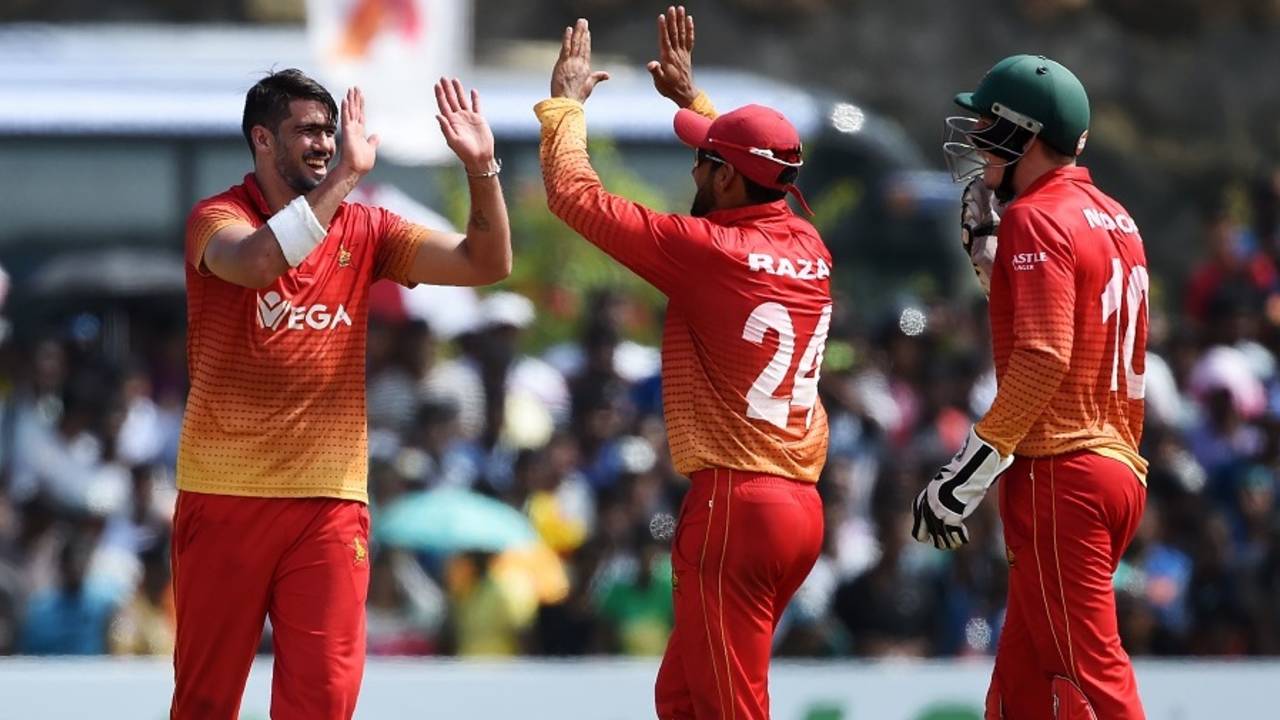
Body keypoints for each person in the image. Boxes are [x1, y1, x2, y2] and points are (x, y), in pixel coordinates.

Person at [173, 69, 510, 719]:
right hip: (225, 497)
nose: (325, 143)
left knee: (324, 701)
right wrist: (345, 179)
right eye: (308, 130)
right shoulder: (217, 219)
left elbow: (485, 264)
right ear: (262, 139)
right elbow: (255, 264)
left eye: (331, 131)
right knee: (206, 701)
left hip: (330, 503)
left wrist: (482, 167)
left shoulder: (368, 230)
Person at [536, 9, 830, 718]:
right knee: (684, 698)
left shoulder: (707, 255)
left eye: (704, 159)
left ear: (727, 181)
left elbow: (574, 196)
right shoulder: (810, 247)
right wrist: (697, 104)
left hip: (738, 504)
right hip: (800, 510)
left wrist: (566, 107)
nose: (694, 169)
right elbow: (761, 170)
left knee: (729, 708)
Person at [917, 54, 1149, 718]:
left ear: (1026, 133)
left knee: (1092, 678)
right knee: (1019, 689)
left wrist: (970, 467)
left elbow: (1046, 356)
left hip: (1063, 474)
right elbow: (1072, 330)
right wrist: (996, 267)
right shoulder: (1116, 218)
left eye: (989, 125)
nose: (977, 140)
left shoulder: (1035, 216)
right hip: (1114, 469)